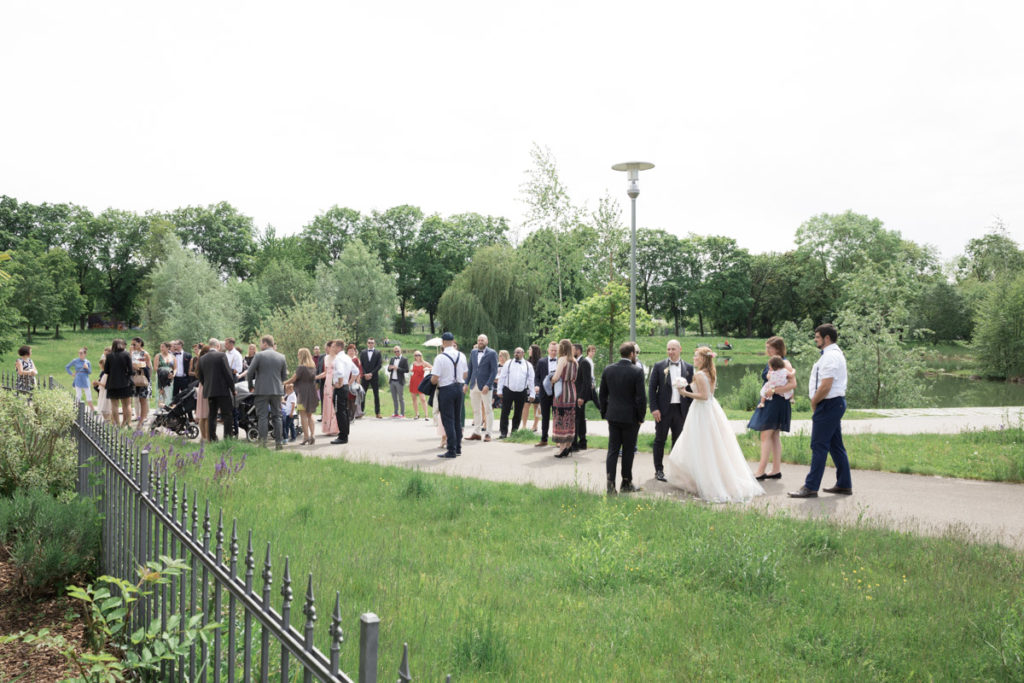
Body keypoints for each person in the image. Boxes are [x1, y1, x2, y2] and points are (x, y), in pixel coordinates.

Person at [664, 346, 765, 503]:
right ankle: (706, 477)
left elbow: (703, 396)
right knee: (713, 444)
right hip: (711, 409)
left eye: (696, 356)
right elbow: (709, 396)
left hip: (701, 411)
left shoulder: (699, 375)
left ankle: (705, 480)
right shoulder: (711, 373)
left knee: (700, 445)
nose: (694, 358)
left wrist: (684, 393)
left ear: (703, 358)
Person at [789, 324, 852, 498]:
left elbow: (826, 385)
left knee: (818, 446)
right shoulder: (832, 354)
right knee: (835, 445)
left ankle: (810, 487)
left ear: (827, 338)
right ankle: (844, 484)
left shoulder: (830, 356)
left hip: (829, 403)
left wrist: (814, 402)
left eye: (817, 337)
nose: (815, 340)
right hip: (833, 404)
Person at [599, 342, 647, 494]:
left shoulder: (608, 369)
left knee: (612, 450)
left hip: (613, 416)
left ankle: (610, 485)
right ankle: (626, 483)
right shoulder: (637, 371)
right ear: (632, 354)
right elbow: (641, 398)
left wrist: (605, 413)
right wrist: (641, 417)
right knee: (628, 451)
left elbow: (602, 394)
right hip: (631, 418)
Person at [749, 336, 797, 480]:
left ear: (777, 348)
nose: (767, 350)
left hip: (776, 401)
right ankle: (776, 470)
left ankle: (760, 471)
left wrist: (774, 391)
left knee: (765, 435)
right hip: (770, 400)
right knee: (774, 435)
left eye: (769, 347)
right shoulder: (773, 362)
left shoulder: (785, 363)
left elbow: (793, 384)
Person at [649, 339, 694, 482]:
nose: (670, 352)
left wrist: (690, 411)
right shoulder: (659, 366)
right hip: (663, 410)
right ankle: (659, 471)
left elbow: (691, 390)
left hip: (681, 410)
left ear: (680, 349)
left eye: (673, 349)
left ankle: (675, 471)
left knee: (678, 441)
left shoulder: (689, 367)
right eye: (668, 349)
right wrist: (654, 408)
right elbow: (651, 388)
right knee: (660, 440)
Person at [246, 335, 289, 450]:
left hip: (261, 390)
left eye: (261, 343)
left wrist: (251, 386)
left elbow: (249, 373)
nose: (260, 345)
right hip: (276, 391)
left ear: (265, 344)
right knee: (277, 417)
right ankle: (279, 443)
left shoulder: (259, 355)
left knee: (262, 417)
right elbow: (284, 376)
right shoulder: (281, 357)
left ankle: (263, 443)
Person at [434, 332, 468, 458]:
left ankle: (451, 450)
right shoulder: (462, 355)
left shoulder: (440, 357)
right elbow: (465, 375)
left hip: (446, 389)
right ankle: (458, 448)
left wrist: (431, 382)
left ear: (443, 342)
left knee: (448, 420)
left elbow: (435, 378)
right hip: (459, 388)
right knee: (457, 419)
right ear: (453, 341)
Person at [197, 337, 237, 441]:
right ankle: (227, 437)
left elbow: (200, 376)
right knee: (227, 414)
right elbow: (228, 374)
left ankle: (212, 437)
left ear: (210, 346)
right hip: (223, 391)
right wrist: (233, 388)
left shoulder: (202, 358)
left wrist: (207, 385)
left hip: (210, 391)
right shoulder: (221, 355)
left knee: (212, 415)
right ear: (218, 346)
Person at [497, 346, 534, 438]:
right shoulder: (508, 363)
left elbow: (531, 380)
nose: (516, 354)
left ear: (523, 354)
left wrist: (532, 393)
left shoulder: (528, 365)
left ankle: (514, 432)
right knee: (505, 412)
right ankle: (503, 432)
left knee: (518, 413)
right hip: (508, 390)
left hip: (521, 392)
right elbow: (502, 377)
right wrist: (499, 390)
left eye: (518, 352)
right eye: (515, 352)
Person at [466, 334, 498, 441]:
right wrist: (466, 383)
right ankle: (476, 432)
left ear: (487, 341)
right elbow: (470, 369)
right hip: (473, 385)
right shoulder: (473, 352)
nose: (480, 341)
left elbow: (494, 371)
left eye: (482, 340)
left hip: (485, 387)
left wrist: (488, 385)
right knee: (476, 410)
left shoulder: (492, 353)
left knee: (488, 410)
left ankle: (488, 433)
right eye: (479, 340)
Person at [285, 348, 319, 446]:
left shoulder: (301, 367)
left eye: (298, 354)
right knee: (310, 415)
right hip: (312, 392)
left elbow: (293, 378)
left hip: (303, 393)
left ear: (302, 356)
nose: (297, 356)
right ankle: (313, 435)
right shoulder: (313, 367)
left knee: (303, 415)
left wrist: (284, 382)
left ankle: (306, 437)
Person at [550, 339, 578, 458]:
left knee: (560, 418)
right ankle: (568, 445)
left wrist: (551, 381)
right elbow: (575, 378)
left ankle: (561, 449)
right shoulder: (575, 361)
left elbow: (556, 376)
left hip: (562, 392)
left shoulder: (562, 359)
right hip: (572, 391)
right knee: (570, 419)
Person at [330, 341, 359, 445]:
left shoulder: (338, 358)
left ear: (338, 347)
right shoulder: (347, 357)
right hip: (346, 386)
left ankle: (342, 436)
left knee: (340, 411)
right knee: (344, 411)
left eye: (333, 346)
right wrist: (349, 383)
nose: (331, 348)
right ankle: (345, 434)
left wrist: (340, 383)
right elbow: (356, 371)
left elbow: (340, 372)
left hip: (340, 387)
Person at [533, 341, 559, 447]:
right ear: (548, 350)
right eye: (552, 350)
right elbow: (537, 376)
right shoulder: (541, 361)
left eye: (555, 350)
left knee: (557, 416)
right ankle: (544, 439)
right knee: (545, 416)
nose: (553, 352)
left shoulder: (561, 362)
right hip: (544, 393)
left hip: (557, 393)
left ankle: (558, 439)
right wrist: (537, 385)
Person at [104, 339, 135, 427]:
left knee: (114, 406)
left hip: (112, 383)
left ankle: (117, 424)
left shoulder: (109, 356)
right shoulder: (126, 354)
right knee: (127, 404)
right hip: (125, 383)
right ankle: (129, 424)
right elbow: (131, 370)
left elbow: (106, 371)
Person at [570, 343, 594, 452]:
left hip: (579, 396)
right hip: (576, 394)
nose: (571, 351)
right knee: (580, 419)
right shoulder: (578, 361)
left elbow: (586, 382)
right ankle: (582, 442)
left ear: (578, 351)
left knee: (577, 419)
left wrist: (581, 397)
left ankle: (575, 444)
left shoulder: (584, 362)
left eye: (573, 350)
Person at [315, 342, 340, 436]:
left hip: (335, 382)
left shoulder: (338, 357)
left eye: (327, 347)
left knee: (335, 405)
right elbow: (325, 373)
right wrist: (315, 377)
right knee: (327, 405)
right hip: (327, 383)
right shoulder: (325, 358)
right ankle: (329, 428)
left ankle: (336, 427)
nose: (326, 349)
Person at [129, 337, 152, 425]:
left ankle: (144, 417)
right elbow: (128, 363)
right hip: (134, 377)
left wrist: (138, 366)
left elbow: (148, 366)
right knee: (135, 398)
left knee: (143, 398)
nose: (133, 346)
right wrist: (130, 353)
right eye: (132, 344)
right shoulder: (131, 353)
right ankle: (137, 415)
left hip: (142, 377)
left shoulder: (145, 353)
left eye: (134, 344)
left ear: (140, 343)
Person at [359, 338, 383, 418]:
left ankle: (378, 412)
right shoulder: (362, 352)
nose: (370, 344)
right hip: (364, 377)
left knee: (376, 395)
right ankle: (361, 412)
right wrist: (365, 374)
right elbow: (361, 365)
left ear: (374, 344)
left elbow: (379, 365)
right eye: (369, 342)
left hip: (374, 376)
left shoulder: (378, 352)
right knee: (362, 394)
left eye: (372, 343)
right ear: (367, 343)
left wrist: (371, 373)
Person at [65, 347, 94, 411]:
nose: (80, 354)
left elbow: (90, 372)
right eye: (79, 353)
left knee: (88, 394)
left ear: (85, 354)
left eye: (81, 353)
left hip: (85, 379)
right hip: (78, 379)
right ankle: (76, 410)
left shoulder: (87, 362)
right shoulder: (75, 360)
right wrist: (71, 373)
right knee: (78, 395)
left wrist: (87, 368)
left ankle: (92, 410)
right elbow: (67, 367)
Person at [522, 344, 542, 431]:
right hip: (528, 386)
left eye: (530, 349)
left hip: (538, 387)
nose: (528, 351)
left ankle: (535, 425)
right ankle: (524, 425)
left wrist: (539, 386)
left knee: (536, 406)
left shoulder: (541, 362)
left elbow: (543, 376)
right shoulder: (527, 361)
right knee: (526, 405)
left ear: (534, 351)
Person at [387, 345, 409, 418]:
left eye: (398, 351)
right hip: (392, 381)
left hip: (399, 381)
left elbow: (407, 370)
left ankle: (402, 413)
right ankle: (395, 412)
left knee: (400, 398)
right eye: (395, 351)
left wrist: (398, 368)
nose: (396, 352)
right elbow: (388, 369)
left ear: (400, 351)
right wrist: (390, 368)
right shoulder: (392, 359)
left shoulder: (404, 359)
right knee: (394, 398)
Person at [193, 345, 211, 441]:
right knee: (207, 415)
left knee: (202, 415)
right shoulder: (206, 363)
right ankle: (207, 437)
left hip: (201, 387)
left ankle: (203, 437)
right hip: (206, 387)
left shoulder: (199, 362)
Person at [408, 351, 432, 420]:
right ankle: (417, 414)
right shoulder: (413, 363)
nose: (417, 356)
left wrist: (428, 369)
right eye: (415, 355)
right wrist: (411, 370)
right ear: (414, 356)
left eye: (418, 355)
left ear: (421, 355)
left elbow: (433, 368)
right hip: (413, 381)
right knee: (414, 398)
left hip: (421, 382)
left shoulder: (424, 363)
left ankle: (426, 415)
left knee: (423, 399)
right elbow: (412, 371)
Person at [153, 342, 176, 408]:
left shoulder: (173, 357)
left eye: (163, 347)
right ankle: (159, 409)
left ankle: (167, 409)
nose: (161, 348)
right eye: (161, 347)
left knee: (168, 393)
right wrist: (164, 372)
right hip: (160, 375)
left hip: (169, 377)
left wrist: (173, 374)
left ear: (168, 347)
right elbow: (155, 367)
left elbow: (175, 368)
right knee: (160, 392)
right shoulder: (158, 356)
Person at [346, 343, 364, 420]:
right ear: (347, 351)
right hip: (346, 380)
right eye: (349, 350)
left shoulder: (356, 359)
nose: (351, 352)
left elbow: (358, 372)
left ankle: (352, 415)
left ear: (354, 351)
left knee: (353, 398)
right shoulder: (345, 359)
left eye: (352, 350)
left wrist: (357, 382)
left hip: (353, 380)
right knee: (347, 398)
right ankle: (349, 414)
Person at [94, 347, 112, 422]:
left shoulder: (106, 374)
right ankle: (106, 420)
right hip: (102, 393)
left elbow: (106, 385)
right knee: (103, 408)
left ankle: (108, 420)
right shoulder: (104, 374)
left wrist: (98, 383)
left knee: (106, 408)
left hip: (105, 393)